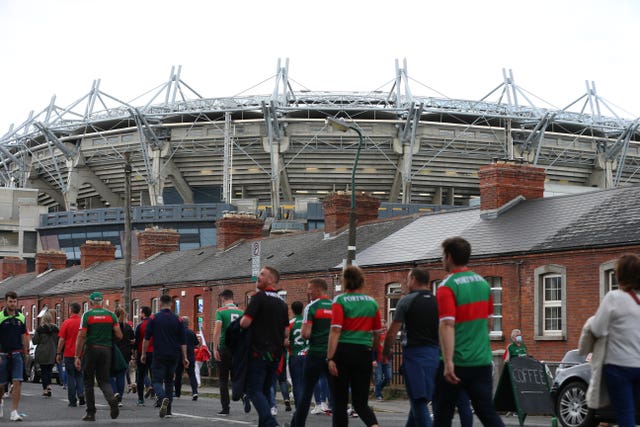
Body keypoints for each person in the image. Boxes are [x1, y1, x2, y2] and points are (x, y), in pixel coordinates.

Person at [433, 237, 504, 427]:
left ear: (448, 257)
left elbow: (447, 325)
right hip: (481, 360)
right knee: (487, 412)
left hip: (456, 361)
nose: (442, 260)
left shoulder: (447, 286)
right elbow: (488, 324)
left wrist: (448, 363)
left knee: (443, 413)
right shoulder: (483, 284)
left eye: (443, 256)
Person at [383, 267, 439, 427]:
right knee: (421, 398)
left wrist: (386, 352)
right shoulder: (437, 301)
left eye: (408, 279)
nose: (407, 283)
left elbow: (392, 331)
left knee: (418, 401)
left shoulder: (406, 301)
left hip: (414, 355)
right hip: (434, 354)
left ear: (414, 279)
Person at [588, 254, 640, 427]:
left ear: (619, 274)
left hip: (618, 366)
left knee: (626, 415)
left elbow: (597, 329)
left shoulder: (613, 297)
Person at [327, 266, 381, 427]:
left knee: (340, 403)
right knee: (361, 403)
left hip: (343, 352)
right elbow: (377, 333)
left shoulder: (340, 301)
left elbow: (335, 330)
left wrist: (330, 358)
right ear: (361, 281)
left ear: (344, 281)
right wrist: (372, 353)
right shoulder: (372, 302)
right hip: (364, 353)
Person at [239, 266, 289, 427]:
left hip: (258, 353)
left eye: (262, 274)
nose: (258, 277)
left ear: (271, 279)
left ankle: (270, 422)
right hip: (275, 355)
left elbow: (245, 322)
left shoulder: (259, 298)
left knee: (254, 390)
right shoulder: (282, 303)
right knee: (266, 391)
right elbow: (286, 332)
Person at [288, 278, 334, 426]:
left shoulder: (312, 307)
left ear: (318, 289)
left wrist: (305, 332)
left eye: (310, 289)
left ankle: (297, 424)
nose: (308, 292)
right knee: (335, 393)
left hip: (314, 353)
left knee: (306, 393)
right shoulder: (336, 306)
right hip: (331, 355)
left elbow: (306, 334)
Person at [74, 291, 122, 421]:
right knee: (104, 380)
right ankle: (111, 398)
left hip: (91, 349)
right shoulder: (111, 315)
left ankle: (91, 413)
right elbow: (119, 335)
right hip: (106, 350)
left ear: (90, 303)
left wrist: (77, 356)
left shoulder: (87, 315)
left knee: (88, 381)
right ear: (102, 302)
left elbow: (81, 336)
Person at [141, 294, 188, 418]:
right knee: (169, 381)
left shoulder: (153, 318)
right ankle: (168, 411)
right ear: (171, 304)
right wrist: (185, 357)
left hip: (159, 353)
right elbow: (183, 341)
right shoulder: (178, 319)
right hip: (174, 355)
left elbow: (146, 339)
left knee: (156, 380)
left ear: (160, 304)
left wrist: (143, 353)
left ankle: (162, 399)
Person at [213, 289, 247, 416]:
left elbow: (217, 330)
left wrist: (215, 348)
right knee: (236, 376)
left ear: (223, 299)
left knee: (223, 379)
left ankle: (225, 408)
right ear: (232, 298)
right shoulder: (241, 312)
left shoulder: (220, 311)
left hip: (225, 348)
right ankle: (244, 395)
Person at [0, 291, 30, 421]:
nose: (13, 304)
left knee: (17, 381)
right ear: (6, 302)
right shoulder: (0, 317)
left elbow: (24, 335)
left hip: (17, 354)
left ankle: (14, 411)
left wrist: (26, 352)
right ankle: (1, 402)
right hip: (3, 354)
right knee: (1, 385)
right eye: (10, 301)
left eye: (14, 301)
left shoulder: (21, 317)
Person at [56, 302, 85, 407]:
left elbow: (62, 340)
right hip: (81, 353)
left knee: (71, 377)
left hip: (69, 354)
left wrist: (58, 353)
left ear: (71, 310)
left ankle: (72, 401)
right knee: (80, 375)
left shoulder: (66, 323)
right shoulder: (83, 323)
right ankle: (81, 394)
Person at [110, 306, 134, 405]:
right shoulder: (128, 326)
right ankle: (119, 399)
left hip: (114, 352)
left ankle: (115, 392)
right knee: (121, 375)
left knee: (109, 374)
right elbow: (133, 340)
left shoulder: (112, 326)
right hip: (126, 353)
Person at [33, 310, 59, 397]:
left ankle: (45, 389)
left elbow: (35, 341)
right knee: (49, 370)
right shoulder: (56, 329)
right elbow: (59, 340)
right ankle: (49, 385)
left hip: (42, 352)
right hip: (53, 352)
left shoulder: (40, 329)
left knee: (44, 371)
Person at [174, 316, 198, 400]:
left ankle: (177, 393)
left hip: (179, 356)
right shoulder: (191, 333)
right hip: (190, 356)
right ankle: (195, 392)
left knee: (178, 375)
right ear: (188, 324)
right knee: (192, 375)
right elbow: (196, 343)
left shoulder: (177, 333)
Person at [288, 301, 306, 410]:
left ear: (292, 310)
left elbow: (286, 340)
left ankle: (299, 408)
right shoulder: (307, 322)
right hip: (307, 355)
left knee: (297, 383)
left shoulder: (291, 323)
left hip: (294, 355)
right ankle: (304, 405)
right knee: (305, 383)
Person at [134, 306, 153, 406]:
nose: (139, 315)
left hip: (143, 353)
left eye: (140, 313)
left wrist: (134, 354)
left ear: (144, 314)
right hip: (154, 353)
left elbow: (137, 342)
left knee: (140, 376)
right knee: (154, 375)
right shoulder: (155, 324)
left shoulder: (140, 326)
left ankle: (141, 399)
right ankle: (156, 395)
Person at [373, 322, 391, 401]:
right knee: (379, 378)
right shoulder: (376, 336)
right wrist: (373, 360)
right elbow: (373, 349)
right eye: (382, 327)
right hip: (378, 360)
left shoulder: (389, 336)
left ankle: (378, 389)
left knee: (388, 377)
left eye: (385, 327)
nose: (383, 329)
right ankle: (378, 395)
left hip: (387, 360)